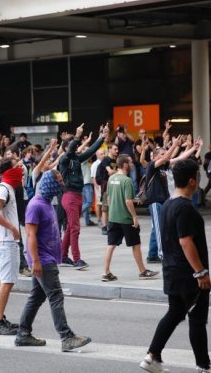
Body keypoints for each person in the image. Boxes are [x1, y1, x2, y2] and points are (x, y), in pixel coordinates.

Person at [140, 159, 211, 373]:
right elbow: (186, 242)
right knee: (197, 319)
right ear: (193, 181)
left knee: (175, 313)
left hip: (172, 270)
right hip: (189, 275)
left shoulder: (168, 204)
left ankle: (152, 356)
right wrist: (201, 272)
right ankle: (204, 366)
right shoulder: (185, 208)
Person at [15, 169, 92, 352]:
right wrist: (35, 262)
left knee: (37, 296)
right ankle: (66, 337)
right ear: (49, 182)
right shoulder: (35, 205)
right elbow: (30, 235)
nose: (61, 183)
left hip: (47, 258)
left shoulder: (48, 202)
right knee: (56, 295)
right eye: (57, 180)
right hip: (43, 259)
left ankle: (23, 333)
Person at [59, 123, 110, 270]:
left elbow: (92, 150)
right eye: (72, 144)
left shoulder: (76, 158)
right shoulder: (64, 160)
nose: (76, 145)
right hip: (70, 196)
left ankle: (62, 256)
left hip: (76, 196)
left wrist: (102, 137)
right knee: (75, 228)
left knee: (70, 228)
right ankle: (77, 260)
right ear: (67, 147)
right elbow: (69, 152)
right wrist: (76, 136)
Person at [102, 155, 158, 282]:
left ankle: (106, 272)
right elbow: (128, 201)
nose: (132, 164)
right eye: (131, 162)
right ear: (125, 164)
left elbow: (109, 198)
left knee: (111, 244)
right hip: (126, 219)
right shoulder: (127, 180)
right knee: (135, 244)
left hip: (113, 217)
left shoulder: (111, 178)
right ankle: (143, 271)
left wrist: (113, 211)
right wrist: (135, 217)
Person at [0, 157, 24, 335]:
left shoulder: (7, 188)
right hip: (5, 241)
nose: (21, 169)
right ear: (9, 170)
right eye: (17, 166)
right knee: (6, 282)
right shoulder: (3, 189)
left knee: (4, 281)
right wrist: (12, 227)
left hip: (5, 241)